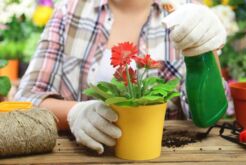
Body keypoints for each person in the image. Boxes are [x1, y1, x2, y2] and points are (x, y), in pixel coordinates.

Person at [15, 0, 226, 154]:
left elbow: (208, 116)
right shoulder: (69, 12)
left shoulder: (186, 13)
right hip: (80, 154)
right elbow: (26, 99)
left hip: (160, 155)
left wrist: (206, 51)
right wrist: (74, 113)